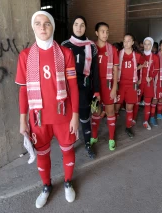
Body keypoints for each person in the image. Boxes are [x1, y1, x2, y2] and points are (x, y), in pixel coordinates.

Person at [15, 11, 79, 208]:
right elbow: (24, 90)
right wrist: (22, 119)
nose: (42, 27)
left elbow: (74, 87)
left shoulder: (65, 53)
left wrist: (75, 115)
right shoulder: (25, 56)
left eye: (47, 24)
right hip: (38, 117)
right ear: (33, 27)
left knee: (67, 150)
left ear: (53, 27)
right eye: (38, 23)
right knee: (42, 155)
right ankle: (46, 186)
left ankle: (68, 182)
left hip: (63, 114)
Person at [62, 16, 100, 159]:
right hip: (68, 89)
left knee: (84, 117)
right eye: (76, 24)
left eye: (82, 25)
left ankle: (88, 144)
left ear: (85, 27)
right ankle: (68, 146)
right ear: (72, 26)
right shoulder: (65, 45)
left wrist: (96, 91)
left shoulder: (91, 46)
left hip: (84, 88)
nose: (79, 27)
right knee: (68, 119)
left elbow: (95, 71)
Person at [91, 22, 119, 151]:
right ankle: (94, 136)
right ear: (96, 33)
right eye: (102, 31)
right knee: (95, 111)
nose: (105, 34)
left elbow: (115, 70)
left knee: (110, 111)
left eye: (107, 31)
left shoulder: (112, 49)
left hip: (108, 85)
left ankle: (111, 138)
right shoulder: (91, 47)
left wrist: (114, 87)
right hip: (95, 85)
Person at [115, 33, 144, 138]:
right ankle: (113, 127)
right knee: (116, 107)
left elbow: (143, 64)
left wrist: (138, 73)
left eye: (128, 41)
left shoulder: (137, 55)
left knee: (129, 107)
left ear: (132, 42)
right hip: (120, 84)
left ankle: (128, 127)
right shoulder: (118, 53)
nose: (126, 43)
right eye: (124, 40)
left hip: (132, 84)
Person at [133, 37, 159, 130]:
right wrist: (137, 78)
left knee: (148, 103)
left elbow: (156, 70)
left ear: (151, 46)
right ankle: (133, 119)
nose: (147, 46)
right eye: (145, 44)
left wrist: (151, 77)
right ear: (143, 45)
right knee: (136, 102)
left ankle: (145, 121)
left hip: (149, 84)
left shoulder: (155, 57)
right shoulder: (140, 56)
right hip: (140, 82)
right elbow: (135, 69)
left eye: (149, 44)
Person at [150, 39, 162, 123]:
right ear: (159, 46)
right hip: (157, 82)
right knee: (155, 99)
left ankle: (159, 114)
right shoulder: (156, 56)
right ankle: (151, 117)